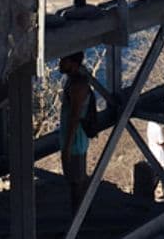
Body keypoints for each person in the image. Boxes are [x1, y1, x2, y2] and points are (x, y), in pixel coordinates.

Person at [59, 52, 91, 216]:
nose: (60, 63)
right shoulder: (76, 79)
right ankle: (80, 214)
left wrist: (67, 147)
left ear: (73, 63)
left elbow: (74, 117)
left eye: (63, 60)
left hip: (75, 139)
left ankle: (79, 217)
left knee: (76, 181)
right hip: (74, 138)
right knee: (76, 178)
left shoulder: (78, 85)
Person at [146, 120, 164, 201]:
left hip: (151, 153)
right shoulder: (158, 128)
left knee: (153, 176)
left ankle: (148, 194)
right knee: (162, 175)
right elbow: (161, 141)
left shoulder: (149, 124)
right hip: (159, 155)